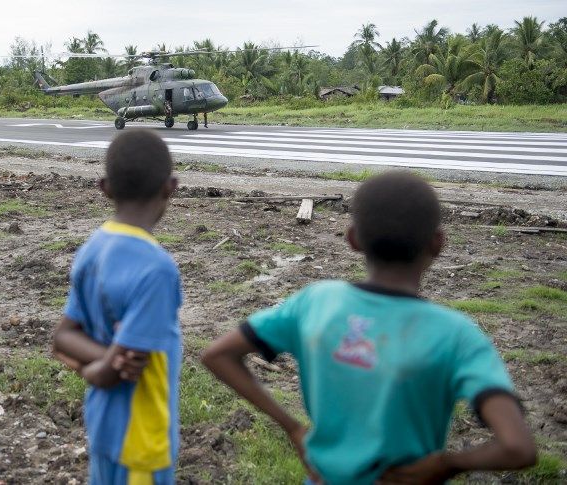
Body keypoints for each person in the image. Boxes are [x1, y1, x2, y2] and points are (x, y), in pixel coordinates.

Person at [202, 171, 536, 484]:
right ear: (437, 243)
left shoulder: (315, 302)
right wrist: (448, 463)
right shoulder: (457, 335)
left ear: (353, 239)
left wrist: (292, 428)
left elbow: (218, 355)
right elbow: (518, 447)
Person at [52, 129, 182, 485]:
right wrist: (100, 367)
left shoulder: (91, 249)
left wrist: (93, 359)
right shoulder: (157, 269)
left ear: (104, 187)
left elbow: (64, 337)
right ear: (170, 186)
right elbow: (114, 370)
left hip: (102, 426)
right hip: (140, 440)